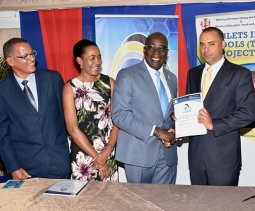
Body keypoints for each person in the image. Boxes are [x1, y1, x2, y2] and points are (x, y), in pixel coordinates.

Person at [186, 27, 255, 186]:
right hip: (196, 157)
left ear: (223, 44)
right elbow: (190, 106)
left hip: (223, 159)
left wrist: (214, 124)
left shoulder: (239, 74)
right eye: (202, 45)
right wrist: (180, 117)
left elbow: (248, 113)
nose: (206, 49)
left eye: (211, 44)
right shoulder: (193, 74)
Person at [0, 37, 70, 180]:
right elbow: (2, 135)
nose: (31, 58)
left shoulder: (53, 79)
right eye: (25, 56)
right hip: (26, 168)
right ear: (10, 61)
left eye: (32, 53)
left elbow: (66, 117)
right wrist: (14, 167)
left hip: (60, 163)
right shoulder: (3, 91)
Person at [112, 32, 178, 184]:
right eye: (151, 47)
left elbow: (167, 114)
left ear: (167, 52)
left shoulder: (171, 78)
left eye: (161, 48)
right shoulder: (127, 75)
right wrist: (156, 131)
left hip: (167, 154)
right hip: (138, 153)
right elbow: (120, 115)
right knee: (140, 203)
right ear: (144, 50)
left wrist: (178, 126)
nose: (156, 52)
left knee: (165, 202)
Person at [62, 39, 118, 182]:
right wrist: (97, 158)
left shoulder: (109, 83)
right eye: (92, 58)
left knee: (111, 200)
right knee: (84, 202)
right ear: (79, 60)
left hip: (108, 153)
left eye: (99, 57)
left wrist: (106, 153)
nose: (97, 62)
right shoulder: (70, 88)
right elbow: (72, 129)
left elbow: (117, 121)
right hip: (83, 158)